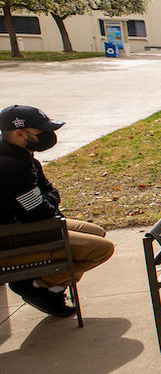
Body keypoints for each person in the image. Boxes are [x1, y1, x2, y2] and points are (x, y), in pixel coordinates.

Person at [0, 105, 115, 318]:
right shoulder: (9, 167)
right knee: (101, 249)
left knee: (96, 232)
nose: (49, 136)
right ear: (19, 133)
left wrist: (46, 198)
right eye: (41, 132)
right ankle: (36, 285)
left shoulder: (23, 156)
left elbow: (49, 192)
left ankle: (50, 287)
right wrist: (46, 199)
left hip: (29, 224)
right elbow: (39, 212)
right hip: (12, 238)